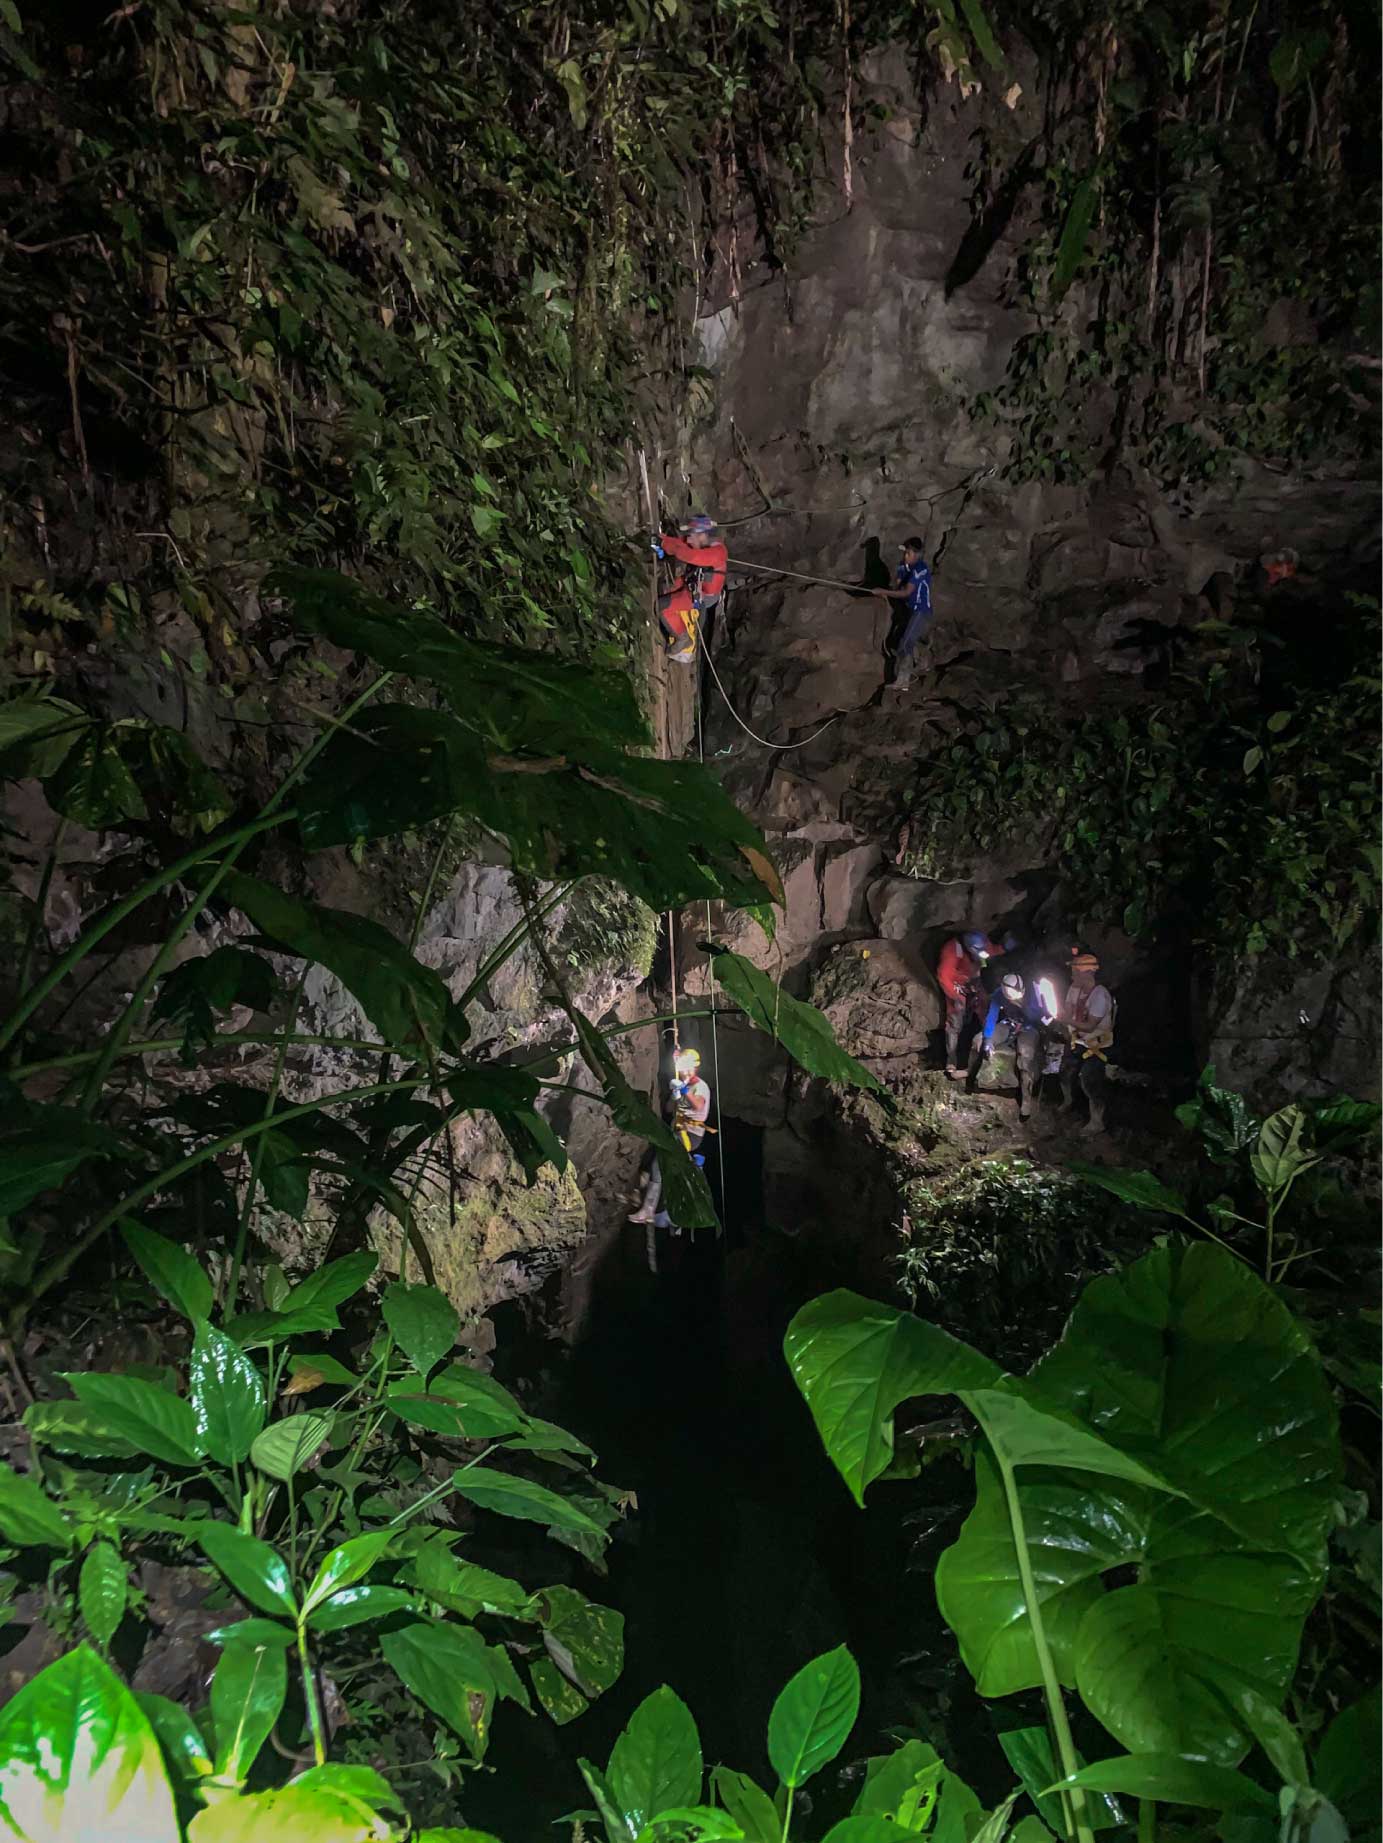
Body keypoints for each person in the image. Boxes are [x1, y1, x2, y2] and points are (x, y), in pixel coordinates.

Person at [628, 1046, 711, 1225]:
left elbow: (697, 1105)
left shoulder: (700, 1087)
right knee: (650, 1154)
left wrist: (683, 1091)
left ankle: (649, 1210)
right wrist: (674, 1096)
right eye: (682, 1069)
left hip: (691, 1135)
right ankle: (638, 1194)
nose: (684, 1072)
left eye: (688, 1068)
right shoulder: (684, 1085)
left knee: (659, 1164)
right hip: (677, 1130)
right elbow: (668, 1110)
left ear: (695, 1068)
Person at [968, 969, 1059, 1120]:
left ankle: (1026, 1100)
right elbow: (992, 1016)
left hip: (1030, 1027)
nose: (1011, 1001)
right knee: (978, 1040)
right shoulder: (999, 994)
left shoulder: (1035, 993)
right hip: (1010, 1023)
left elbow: (1045, 1018)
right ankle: (969, 1073)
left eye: (1013, 998)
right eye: (1008, 999)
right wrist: (988, 1039)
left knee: (1025, 1055)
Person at [652, 515, 727, 663]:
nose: (689, 540)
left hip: (701, 598)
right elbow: (681, 543)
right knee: (666, 587)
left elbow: (690, 555)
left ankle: (683, 639)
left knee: (662, 606)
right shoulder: (700, 543)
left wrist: (663, 543)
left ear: (703, 535)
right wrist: (661, 539)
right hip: (692, 585)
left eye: (692, 535)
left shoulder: (718, 552)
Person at [1056, 952, 1116, 1133]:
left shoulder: (1100, 995)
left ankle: (1097, 1121)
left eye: (1075, 970)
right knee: (1065, 1071)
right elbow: (1067, 1010)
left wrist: (1066, 1021)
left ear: (1087, 973)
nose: (1072, 974)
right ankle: (1068, 1101)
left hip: (1097, 1045)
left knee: (1089, 1080)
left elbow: (1090, 1026)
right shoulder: (1074, 989)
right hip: (1077, 1041)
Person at [937, 930, 1002, 1077]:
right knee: (956, 1017)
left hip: (974, 979)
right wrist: (956, 997)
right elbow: (944, 976)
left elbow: (993, 951)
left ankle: (984, 1047)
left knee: (986, 1008)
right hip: (955, 983)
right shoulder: (952, 951)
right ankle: (951, 1058)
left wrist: (1006, 949)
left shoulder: (982, 943)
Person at [873, 535, 933, 689]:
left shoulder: (921, 569)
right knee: (901, 639)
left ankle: (903, 681)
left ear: (917, 554)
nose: (905, 556)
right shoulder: (904, 567)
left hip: (920, 611)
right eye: (905, 553)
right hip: (911, 610)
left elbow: (906, 592)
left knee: (904, 644)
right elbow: (899, 588)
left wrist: (884, 591)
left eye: (909, 553)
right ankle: (922, 660)